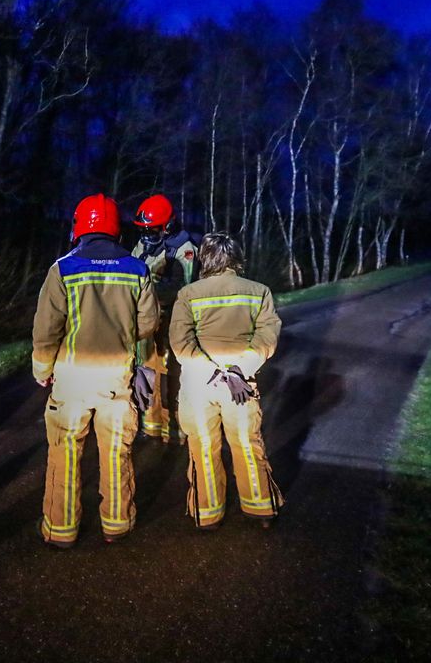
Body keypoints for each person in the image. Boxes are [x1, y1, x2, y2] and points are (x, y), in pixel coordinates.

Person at [31, 193, 159, 547]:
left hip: (70, 380)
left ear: (79, 227)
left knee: (64, 453)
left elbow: (46, 329)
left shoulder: (62, 268)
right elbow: (147, 324)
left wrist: (42, 369)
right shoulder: (137, 269)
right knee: (116, 452)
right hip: (116, 379)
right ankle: (117, 524)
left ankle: (61, 530)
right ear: (115, 229)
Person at [169, 232, 283, 530]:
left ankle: (208, 514)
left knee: (204, 446)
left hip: (198, 384)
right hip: (240, 384)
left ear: (205, 258)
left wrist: (211, 369)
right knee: (246, 443)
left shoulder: (188, 294)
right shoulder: (259, 292)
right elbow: (267, 336)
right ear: (237, 258)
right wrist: (238, 369)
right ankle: (261, 511)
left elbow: (180, 342)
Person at [130, 193, 199, 443]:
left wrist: (147, 291)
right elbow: (132, 266)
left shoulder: (184, 249)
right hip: (147, 321)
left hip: (171, 322)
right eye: (144, 230)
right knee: (146, 370)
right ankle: (151, 426)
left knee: (172, 374)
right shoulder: (145, 244)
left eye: (152, 230)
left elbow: (183, 287)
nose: (146, 235)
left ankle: (177, 429)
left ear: (167, 227)